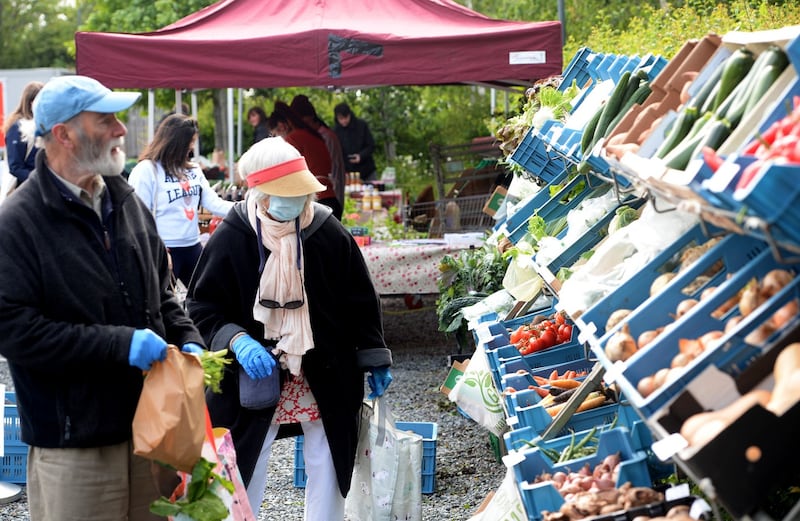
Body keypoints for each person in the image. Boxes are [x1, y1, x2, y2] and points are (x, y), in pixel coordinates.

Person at [0, 75, 207, 521]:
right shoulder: (18, 223)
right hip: (75, 447)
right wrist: (119, 345)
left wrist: (186, 334)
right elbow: (14, 331)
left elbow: (162, 289)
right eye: (105, 120)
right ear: (64, 135)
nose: (120, 130)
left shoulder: (125, 200)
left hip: (151, 430)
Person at [185, 136, 393, 520]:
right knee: (245, 463)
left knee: (329, 458)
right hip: (253, 371)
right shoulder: (232, 236)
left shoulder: (328, 232)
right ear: (261, 194)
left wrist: (375, 356)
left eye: (300, 194)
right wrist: (237, 338)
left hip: (325, 368)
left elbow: (361, 300)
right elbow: (200, 305)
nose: (295, 203)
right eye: (284, 194)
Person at [128, 113, 234, 287]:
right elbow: (138, 217)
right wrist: (157, 248)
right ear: (175, 142)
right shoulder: (146, 170)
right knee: (162, 306)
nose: (191, 148)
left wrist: (248, 208)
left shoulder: (194, 170)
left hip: (193, 246)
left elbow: (214, 204)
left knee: (207, 298)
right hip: (163, 249)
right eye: (189, 142)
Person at [268, 101, 341, 219]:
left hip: (316, 202)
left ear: (282, 126)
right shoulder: (311, 135)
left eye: (275, 134)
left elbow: (285, 173)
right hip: (329, 198)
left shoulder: (293, 139)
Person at [290, 94, 346, 212]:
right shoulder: (316, 137)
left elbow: (333, 173)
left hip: (329, 195)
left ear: (309, 119)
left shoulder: (326, 137)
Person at [3, 81, 44, 186]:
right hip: (28, 188)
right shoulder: (16, 128)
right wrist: (40, 181)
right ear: (31, 103)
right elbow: (15, 167)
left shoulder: (46, 124)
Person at [333, 102, 377, 183]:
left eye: (345, 117)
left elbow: (371, 146)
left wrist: (361, 156)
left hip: (367, 171)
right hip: (348, 174)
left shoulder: (361, 125)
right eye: (341, 119)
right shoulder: (336, 131)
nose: (344, 121)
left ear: (349, 115)